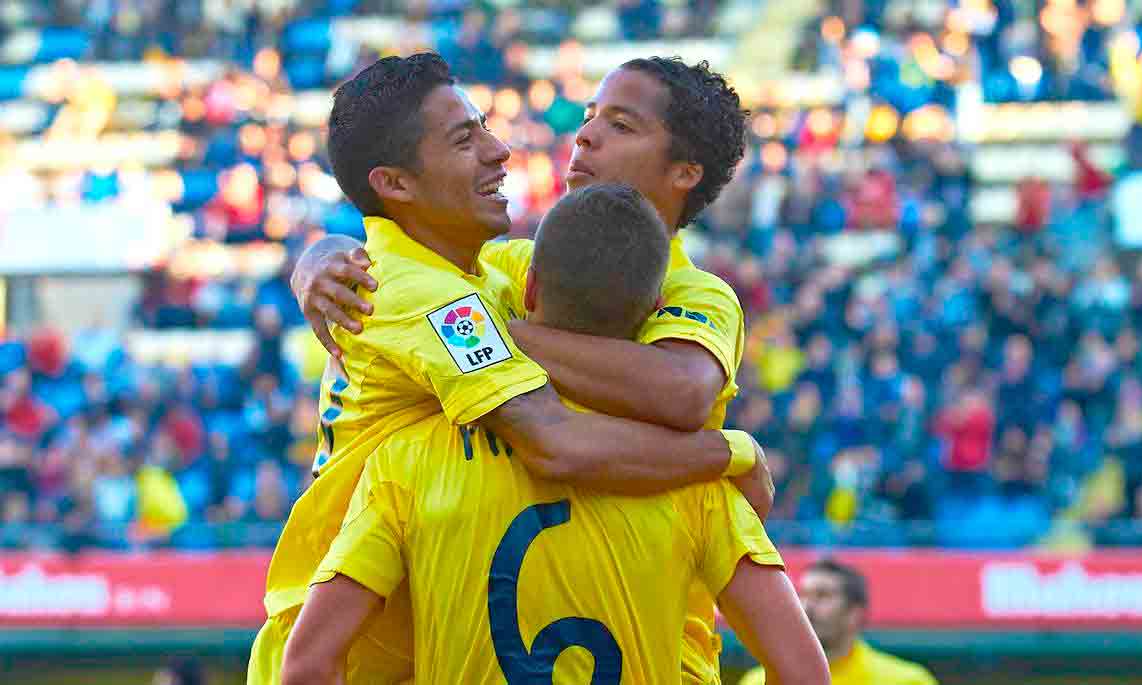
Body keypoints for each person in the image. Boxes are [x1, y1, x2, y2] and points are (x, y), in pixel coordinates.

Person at [248, 54, 771, 684]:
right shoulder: (447, 292)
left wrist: (332, 256)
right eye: (587, 117)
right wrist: (734, 453)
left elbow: (682, 392)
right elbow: (555, 441)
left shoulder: (518, 279)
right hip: (362, 652)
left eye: (622, 126)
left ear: (685, 171)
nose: (583, 136)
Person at [282, 184, 827, 684]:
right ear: (655, 314)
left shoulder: (410, 458)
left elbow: (307, 663)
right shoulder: (695, 481)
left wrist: (319, 257)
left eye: (617, 123)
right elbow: (804, 673)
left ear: (529, 288)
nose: (586, 140)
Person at [738, 558, 937, 685]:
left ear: (854, 614)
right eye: (802, 595)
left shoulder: (907, 681)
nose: (806, 607)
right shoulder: (757, 681)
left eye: (822, 596)